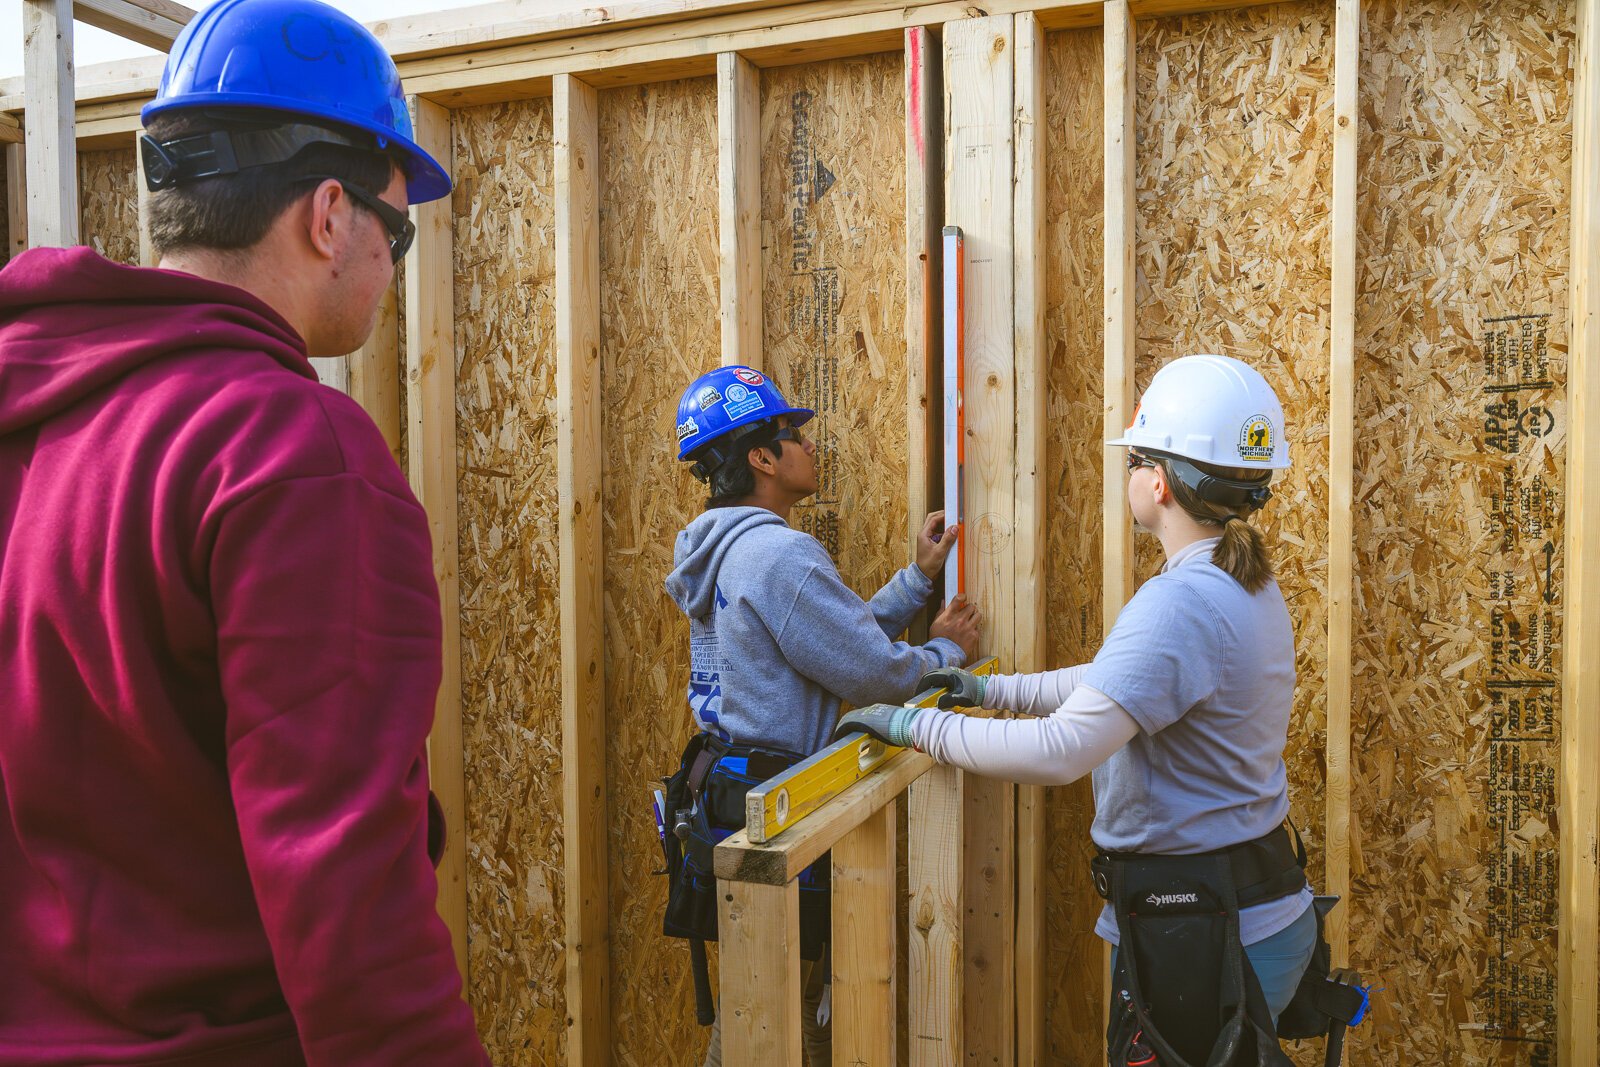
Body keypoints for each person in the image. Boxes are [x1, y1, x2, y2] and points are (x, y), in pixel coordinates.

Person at [0, 1, 487, 1063]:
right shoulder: (295, 451)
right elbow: (344, 887)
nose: (391, 262)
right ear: (327, 214)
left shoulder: (30, 412)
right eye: (394, 229)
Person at [838, 355, 1341, 1066]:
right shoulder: (1240, 583)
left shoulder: (1180, 603)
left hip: (1204, 934)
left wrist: (911, 725)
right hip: (1247, 910)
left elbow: (1063, 750)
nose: (1128, 471)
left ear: (1158, 481)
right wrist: (990, 692)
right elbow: (1117, 684)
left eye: (1134, 457)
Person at [661, 364, 980, 1067]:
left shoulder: (726, 549)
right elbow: (873, 670)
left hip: (729, 796)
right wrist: (946, 649)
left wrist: (916, 581)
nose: (809, 445)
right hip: (783, 808)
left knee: (761, 1012)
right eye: (793, 434)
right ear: (761, 457)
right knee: (783, 1022)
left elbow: (819, 639)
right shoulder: (779, 554)